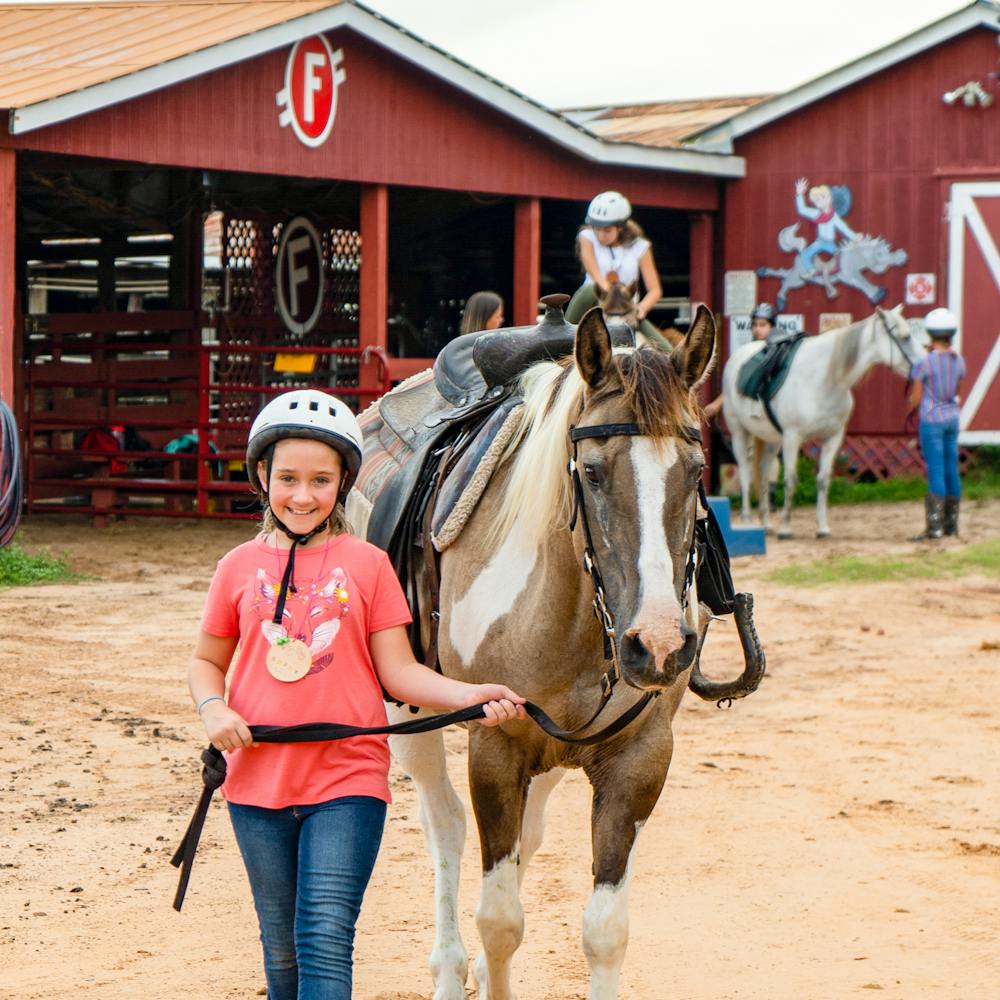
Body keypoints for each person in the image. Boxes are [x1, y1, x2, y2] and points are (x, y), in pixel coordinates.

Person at [187, 388, 526, 1000]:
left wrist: (471, 695)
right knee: (281, 947)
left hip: (348, 781)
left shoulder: (369, 565)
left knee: (323, 938)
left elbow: (398, 673)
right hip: (255, 779)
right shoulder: (236, 566)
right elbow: (208, 662)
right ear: (262, 475)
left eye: (320, 480)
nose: (302, 494)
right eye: (287, 477)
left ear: (343, 481)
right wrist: (214, 708)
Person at [564, 191, 670, 348]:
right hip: (596, 301)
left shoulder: (640, 246)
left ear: (620, 227)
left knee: (668, 350)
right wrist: (610, 292)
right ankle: (563, 332)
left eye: (607, 230)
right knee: (563, 334)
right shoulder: (586, 237)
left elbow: (655, 290)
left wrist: (641, 309)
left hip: (627, 310)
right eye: (597, 228)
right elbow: (592, 270)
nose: (600, 235)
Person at [908, 308, 966, 540]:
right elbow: (957, 391)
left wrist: (910, 404)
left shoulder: (925, 363)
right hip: (952, 418)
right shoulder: (958, 360)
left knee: (936, 471)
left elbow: (915, 398)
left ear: (930, 335)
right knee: (951, 468)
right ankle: (951, 525)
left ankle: (935, 527)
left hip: (931, 420)